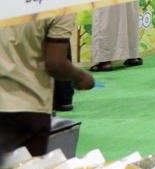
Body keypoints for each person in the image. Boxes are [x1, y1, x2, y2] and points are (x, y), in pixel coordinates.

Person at [0, 11, 95, 157]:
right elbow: (56, 64)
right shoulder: (60, 7)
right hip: (28, 105)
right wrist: (81, 77)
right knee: (25, 168)